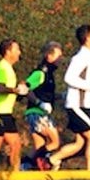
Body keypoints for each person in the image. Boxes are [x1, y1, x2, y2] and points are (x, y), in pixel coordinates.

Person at [48, 25, 90, 170]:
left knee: (79, 143)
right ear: (87, 38)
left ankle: (53, 159)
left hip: (87, 105)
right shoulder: (80, 57)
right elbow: (69, 78)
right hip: (77, 105)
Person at [0, 38, 31, 176]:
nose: (19, 52)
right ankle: (14, 173)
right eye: (17, 49)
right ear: (8, 51)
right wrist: (15, 90)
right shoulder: (4, 68)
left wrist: (15, 91)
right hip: (0, 112)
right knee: (14, 144)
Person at [23, 41, 64, 169]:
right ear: (49, 56)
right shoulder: (40, 73)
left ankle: (25, 166)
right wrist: (39, 103)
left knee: (40, 146)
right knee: (55, 142)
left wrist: (61, 96)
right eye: (58, 56)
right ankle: (40, 162)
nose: (60, 59)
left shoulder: (49, 74)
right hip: (37, 113)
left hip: (39, 112)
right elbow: (25, 88)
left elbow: (45, 93)